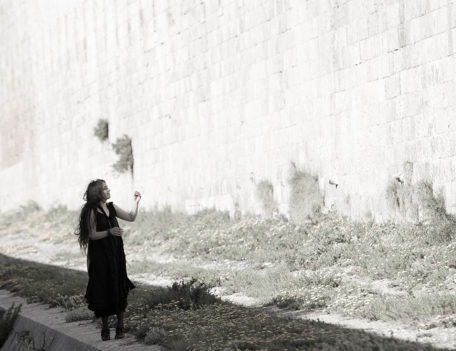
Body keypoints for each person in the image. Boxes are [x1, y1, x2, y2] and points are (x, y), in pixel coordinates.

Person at [75, 179, 141, 341]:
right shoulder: (90, 210)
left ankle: (120, 326)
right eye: (105, 188)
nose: (108, 190)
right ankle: (105, 328)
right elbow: (92, 235)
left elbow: (131, 217)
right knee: (103, 287)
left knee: (119, 284)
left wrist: (136, 202)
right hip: (100, 256)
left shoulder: (111, 207)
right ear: (97, 192)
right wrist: (110, 232)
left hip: (116, 253)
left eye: (107, 188)